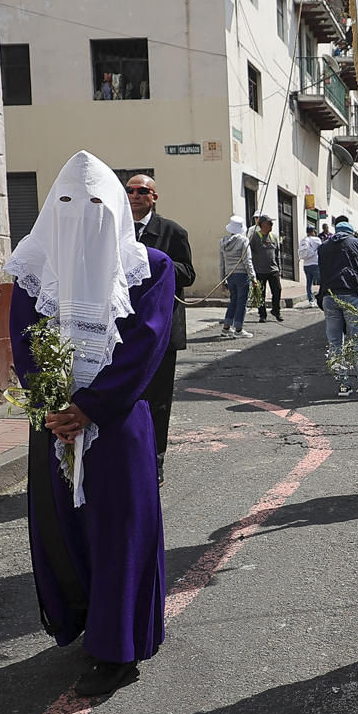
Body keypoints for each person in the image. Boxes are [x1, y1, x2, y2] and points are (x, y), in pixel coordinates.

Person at [7, 153, 175, 697]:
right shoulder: (33, 266)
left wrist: (92, 407)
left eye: (98, 203)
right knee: (65, 526)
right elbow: (25, 342)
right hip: (56, 422)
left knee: (119, 530)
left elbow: (145, 347)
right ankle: (77, 620)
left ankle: (117, 648)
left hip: (118, 420)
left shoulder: (149, 266)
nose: (83, 214)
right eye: (68, 203)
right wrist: (54, 406)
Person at [125, 174, 193, 486]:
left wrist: (154, 261)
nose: (135, 196)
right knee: (126, 392)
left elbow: (188, 273)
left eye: (142, 191)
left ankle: (156, 459)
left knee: (158, 397)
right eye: (130, 191)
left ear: (154, 197)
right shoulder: (116, 229)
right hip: (124, 327)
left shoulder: (172, 231)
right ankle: (128, 455)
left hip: (161, 327)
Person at [318, 219, 358, 397]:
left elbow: (321, 271)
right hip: (352, 295)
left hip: (329, 296)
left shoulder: (323, 247)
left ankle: (342, 384)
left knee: (335, 342)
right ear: (351, 232)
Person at [218, 219, 254, 339]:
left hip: (230, 275)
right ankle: (239, 329)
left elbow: (221, 264)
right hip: (242, 275)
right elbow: (247, 261)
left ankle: (226, 328)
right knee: (241, 302)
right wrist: (253, 277)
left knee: (233, 301)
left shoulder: (222, 242)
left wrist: (222, 280)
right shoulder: (244, 241)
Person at [250, 214, 284, 324]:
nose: (271, 225)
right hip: (260, 271)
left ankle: (276, 310)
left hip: (273, 270)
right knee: (261, 293)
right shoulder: (255, 237)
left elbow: (277, 254)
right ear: (263, 225)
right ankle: (262, 314)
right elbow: (250, 253)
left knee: (277, 290)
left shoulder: (274, 237)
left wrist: (279, 268)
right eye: (269, 223)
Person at [299, 226, 324, 302]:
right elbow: (322, 249)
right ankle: (321, 297)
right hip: (315, 264)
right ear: (313, 231)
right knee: (322, 282)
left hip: (306, 265)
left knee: (309, 283)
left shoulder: (303, 240)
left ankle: (311, 300)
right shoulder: (317, 239)